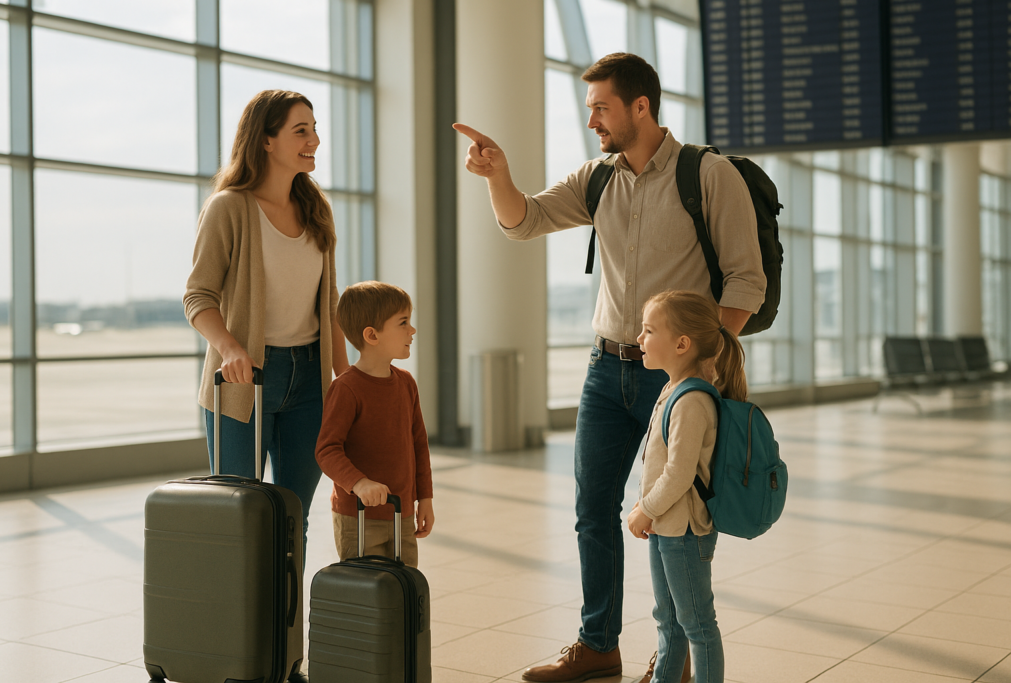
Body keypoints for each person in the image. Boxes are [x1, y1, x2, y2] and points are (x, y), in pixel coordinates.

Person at [454, 52, 765, 683]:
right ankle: (598, 644)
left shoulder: (708, 175)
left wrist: (696, 364)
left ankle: (671, 652)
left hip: (673, 380)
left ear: (641, 106)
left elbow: (746, 280)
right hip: (607, 368)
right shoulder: (599, 178)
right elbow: (526, 221)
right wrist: (498, 176)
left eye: (600, 106)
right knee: (593, 507)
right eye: (589, 106)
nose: (591, 118)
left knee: (670, 516)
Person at [183, 90, 350, 572]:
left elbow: (330, 302)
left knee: (292, 520)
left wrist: (346, 377)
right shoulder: (229, 208)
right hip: (245, 382)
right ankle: (238, 639)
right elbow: (198, 296)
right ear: (266, 140)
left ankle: (282, 635)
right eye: (301, 130)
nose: (315, 139)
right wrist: (230, 347)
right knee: (240, 518)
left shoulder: (316, 207)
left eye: (315, 129)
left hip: (310, 384)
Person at [627, 290, 741, 683]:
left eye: (648, 330)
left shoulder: (691, 399)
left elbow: (678, 472)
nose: (639, 339)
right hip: (667, 527)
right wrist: (652, 513)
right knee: (668, 621)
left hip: (684, 532)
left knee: (696, 624)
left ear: (681, 344)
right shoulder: (672, 389)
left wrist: (645, 509)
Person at [314, 281, 434, 566]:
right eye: (403, 323)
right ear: (372, 335)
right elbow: (327, 450)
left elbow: (419, 445)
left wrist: (425, 497)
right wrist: (359, 483)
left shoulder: (406, 383)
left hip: (401, 513)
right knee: (367, 596)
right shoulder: (346, 388)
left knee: (403, 587)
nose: (412, 330)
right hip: (358, 517)